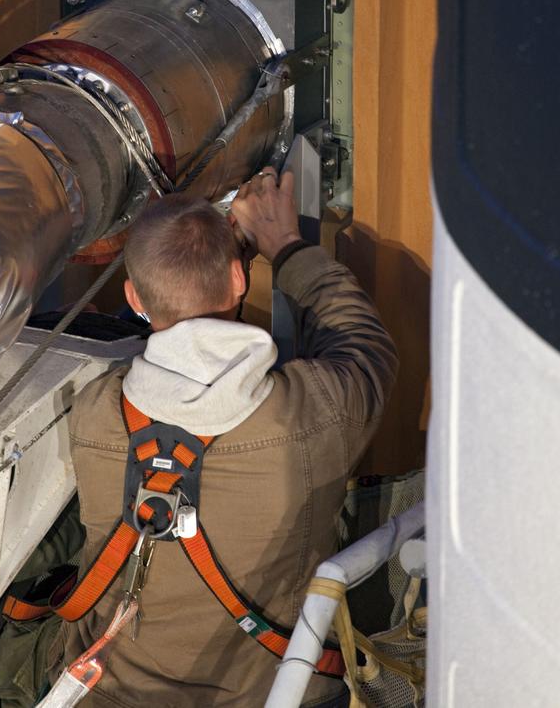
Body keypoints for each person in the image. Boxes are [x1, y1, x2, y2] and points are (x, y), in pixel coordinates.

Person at [51, 166, 397, 706]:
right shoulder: (311, 414)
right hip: (273, 693)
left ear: (133, 297)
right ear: (240, 280)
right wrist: (284, 244)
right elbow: (365, 345)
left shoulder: (94, 413)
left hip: (108, 693)